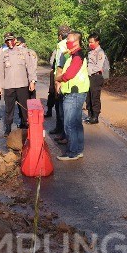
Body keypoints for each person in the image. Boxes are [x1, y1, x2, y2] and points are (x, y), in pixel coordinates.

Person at [55, 31, 90, 161]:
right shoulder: (73, 55)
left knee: (69, 124)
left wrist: (59, 78)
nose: (66, 42)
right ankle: (78, 149)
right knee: (76, 123)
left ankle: (72, 152)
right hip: (75, 92)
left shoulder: (77, 56)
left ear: (75, 41)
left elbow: (69, 74)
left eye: (68, 39)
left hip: (74, 93)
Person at [0, 32, 37, 136]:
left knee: (24, 108)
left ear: (15, 40)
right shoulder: (3, 55)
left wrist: (32, 81)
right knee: (9, 108)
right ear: (5, 42)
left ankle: (26, 126)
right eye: (7, 41)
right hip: (9, 86)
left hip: (22, 85)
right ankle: (8, 128)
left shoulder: (24, 52)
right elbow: (0, 72)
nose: (9, 42)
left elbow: (30, 67)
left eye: (11, 40)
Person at [51, 24, 72, 141]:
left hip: (62, 80)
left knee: (61, 109)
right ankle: (61, 131)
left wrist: (56, 83)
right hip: (69, 79)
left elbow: (59, 65)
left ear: (60, 36)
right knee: (63, 108)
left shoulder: (61, 45)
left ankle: (64, 134)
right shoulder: (72, 45)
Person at [86, 33, 106, 124]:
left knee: (95, 97)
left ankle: (95, 116)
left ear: (97, 42)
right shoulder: (90, 52)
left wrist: (88, 72)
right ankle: (90, 115)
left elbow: (98, 66)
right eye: (89, 42)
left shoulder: (100, 52)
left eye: (92, 42)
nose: (90, 44)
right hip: (89, 76)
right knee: (88, 97)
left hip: (96, 77)